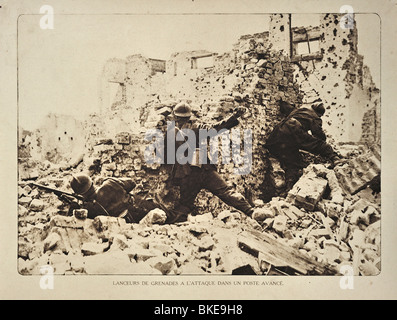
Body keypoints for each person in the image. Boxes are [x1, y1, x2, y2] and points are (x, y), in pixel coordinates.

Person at [160, 102, 261, 223]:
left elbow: (166, 157)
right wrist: (234, 117)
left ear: (175, 117)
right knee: (226, 192)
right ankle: (252, 212)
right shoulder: (196, 127)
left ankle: (171, 227)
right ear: (189, 116)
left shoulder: (173, 132)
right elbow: (216, 129)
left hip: (188, 175)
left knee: (185, 204)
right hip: (204, 170)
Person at [265, 100, 342, 192]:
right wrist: (321, 143)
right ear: (319, 114)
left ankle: (288, 189)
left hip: (277, 135)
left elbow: (286, 107)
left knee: (293, 161)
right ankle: (335, 158)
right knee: (320, 144)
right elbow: (318, 135)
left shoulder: (300, 110)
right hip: (293, 131)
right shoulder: (315, 117)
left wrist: (282, 102)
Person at [66, 173, 158, 223]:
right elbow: (132, 183)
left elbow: (71, 220)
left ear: (81, 195)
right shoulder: (109, 182)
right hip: (141, 205)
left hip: (133, 220)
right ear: (92, 182)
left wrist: (74, 203)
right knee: (170, 215)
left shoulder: (90, 209)